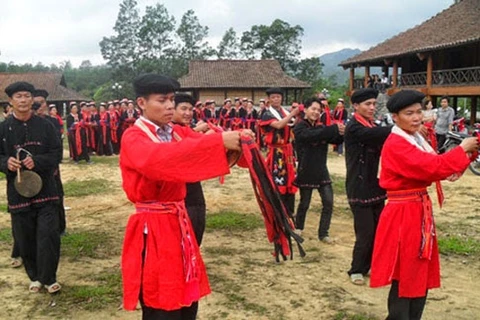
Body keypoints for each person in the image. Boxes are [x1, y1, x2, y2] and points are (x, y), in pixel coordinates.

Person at [119, 73, 243, 319]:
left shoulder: (177, 132)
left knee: (187, 293)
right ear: (141, 103)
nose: (169, 106)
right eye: (162, 100)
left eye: (171, 100)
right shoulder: (134, 137)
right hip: (153, 227)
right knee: (160, 297)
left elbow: (196, 151)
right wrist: (218, 141)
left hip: (179, 221)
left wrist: (239, 141)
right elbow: (160, 160)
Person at [370, 90, 479, 320]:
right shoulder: (397, 143)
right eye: (409, 113)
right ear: (395, 117)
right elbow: (433, 166)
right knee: (406, 269)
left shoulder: (415, 137)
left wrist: (465, 156)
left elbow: (437, 166)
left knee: (419, 265)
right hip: (404, 213)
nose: (417, 117)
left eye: (419, 111)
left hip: (417, 208)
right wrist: (462, 150)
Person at [0, 81, 62, 294]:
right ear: (11, 101)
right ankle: (34, 277)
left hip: (46, 191)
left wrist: (38, 161)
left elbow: (56, 153)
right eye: (19, 96)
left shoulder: (46, 126)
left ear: (32, 99)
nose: (24, 100)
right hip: (18, 191)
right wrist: (6, 163)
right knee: (25, 237)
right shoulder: (3, 128)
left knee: (48, 234)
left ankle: (49, 277)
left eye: (27, 96)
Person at [344, 88, 392, 286]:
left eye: (374, 104)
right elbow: (373, 135)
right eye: (367, 104)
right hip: (359, 185)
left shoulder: (373, 124)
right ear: (356, 106)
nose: (372, 108)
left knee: (379, 231)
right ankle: (356, 269)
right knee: (365, 232)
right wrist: (401, 126)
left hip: (376, 184)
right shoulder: (355, 127)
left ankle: (371, 266)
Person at [293, 97, 345, 242]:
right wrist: (332, 129)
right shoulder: (300, 127)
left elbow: (334, 139)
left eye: (318, 110)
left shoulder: (322, 128)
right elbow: (311, 136)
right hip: (306, 169)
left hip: (322, 170)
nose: (316, 112)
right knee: (305, 203)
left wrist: (341, 133)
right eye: (313, 109)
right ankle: (298, 227)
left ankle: (323, 234)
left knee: (328, 202)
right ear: (306, 109)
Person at [260, 87, 300, 218]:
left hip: (288, 151)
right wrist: (293, 114)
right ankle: (279, 210)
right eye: (273, 97)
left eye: (278, 97)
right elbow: (278, 125)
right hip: (277, 152)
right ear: (269, 100)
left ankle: (290, 210)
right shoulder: (267, 114)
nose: (276, 99)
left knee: (291, 179)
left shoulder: (284, 112)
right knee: (278, 179)